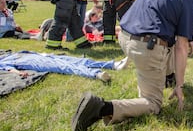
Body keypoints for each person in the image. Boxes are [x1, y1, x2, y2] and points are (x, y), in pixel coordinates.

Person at [71, 0, 193, 131]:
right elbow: (183, 46)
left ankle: (167, 76)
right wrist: (181, 86)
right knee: (152, 104)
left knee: (169, 42)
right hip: (146, 48)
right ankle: (101, 107)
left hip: (125, 37)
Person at [0, 50, 128, 82]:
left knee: (80, 60)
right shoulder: (3, 62)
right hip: (39, 62)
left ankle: (113, 65)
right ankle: (96, 74)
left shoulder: (8, 54)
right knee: (65, 67)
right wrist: (19, 73)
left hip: (45, 56)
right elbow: (10, 69)